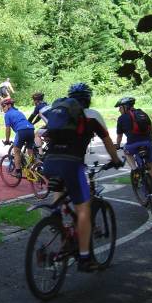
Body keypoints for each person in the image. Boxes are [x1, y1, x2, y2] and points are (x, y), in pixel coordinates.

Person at [44, 83, 123, 272]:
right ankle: (85, 258)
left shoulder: (60, 113)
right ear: (88, 99)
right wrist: (116, 160)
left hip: (49, 162)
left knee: (60, 188)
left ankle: (57, 216)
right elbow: (107, 140)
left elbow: (45, 135)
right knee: (84, 209)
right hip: (72, 164)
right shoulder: (92, 115)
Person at [115, 97, 152, 187]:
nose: (119, 110)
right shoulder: (143, 113)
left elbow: (119, 136)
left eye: (120, 107)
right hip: (148, 143)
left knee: (126, 151)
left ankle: (135, 170)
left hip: (132, 145)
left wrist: (117, 145)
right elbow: (151, 128)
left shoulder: (122, 118)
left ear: (125, 107)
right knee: (150, 167)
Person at [1, 98, 35, 178]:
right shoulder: (19, 112)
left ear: (9, 105)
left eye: (4, 106)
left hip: (21, 131)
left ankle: (18, 171)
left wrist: (7, 140)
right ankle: (34, 168)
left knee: (16, 151)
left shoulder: (7, 114)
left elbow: (8, 128)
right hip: (31, 129)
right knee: (30, 150)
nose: (3, 109)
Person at [27, 92, 50, 157]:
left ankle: (40, 153)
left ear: (36, 100)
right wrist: (33, 123)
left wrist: (28, 124)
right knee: (44, 129)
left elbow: (31, 117)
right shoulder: (46, 104)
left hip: (51, 125)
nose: (33, 102)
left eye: (34, 100)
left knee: (36, 134)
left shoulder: (38, 106)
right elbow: (39, 117)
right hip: (55, 124)